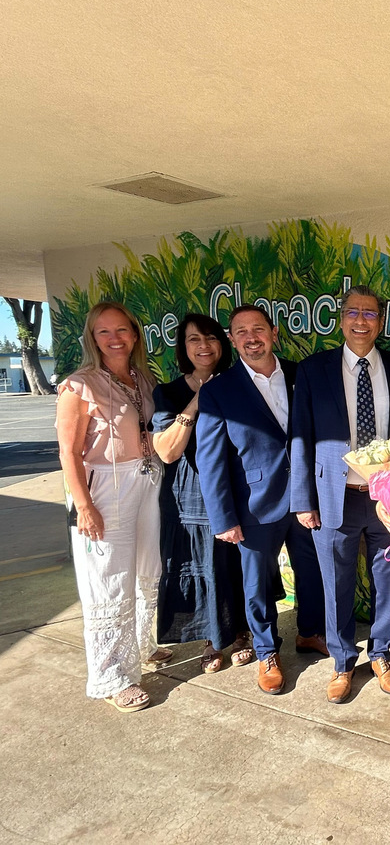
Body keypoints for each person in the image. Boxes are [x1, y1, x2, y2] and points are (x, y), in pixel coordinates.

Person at [290, 285, 390, 703]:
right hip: (335, 496)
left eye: (370, 314)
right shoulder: (314, 370)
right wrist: (302, 500)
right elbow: (300, 437)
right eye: (353, 312)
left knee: (387, 580)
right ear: (340, 318)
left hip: (388, 497)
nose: (361, 321)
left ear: (381, 321)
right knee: (337, 583)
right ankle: (343, 662)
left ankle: (381, 653)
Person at [195, 304, 327, 695]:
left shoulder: (301, 374)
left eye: (258, 329)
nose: (251, 337)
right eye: (241, 331)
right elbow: (210, 457)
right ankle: (267, 651)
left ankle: (310, 633)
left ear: (273, 332)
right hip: (253, 505)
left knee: (313, 570)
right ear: (232, 339)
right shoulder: (219, 390)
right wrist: (223, 518)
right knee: (256, 584)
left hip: (305, 496)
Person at [55, 301, 166, 712]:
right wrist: (83, 505)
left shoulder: (143, 378)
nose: (115, 338)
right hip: (105, 488)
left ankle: (142, 646)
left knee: (144, 567)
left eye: (122, 330)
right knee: (108, 577)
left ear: (135, 335)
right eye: (104, 331)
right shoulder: (79, 385)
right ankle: (112, 677)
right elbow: (68, 451)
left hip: (146, 482)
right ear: (92, 338)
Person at [151, 313, 253, 673]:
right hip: (189, 495)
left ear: (222, 344)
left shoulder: (239, 384)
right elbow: (167, 451)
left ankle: (241, 633)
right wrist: (199, 399)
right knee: (203, 567)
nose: (204, 346)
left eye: (210, 338)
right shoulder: (168, 393)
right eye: (194, 339)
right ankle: (212, 640)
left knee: (235, 566)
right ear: (183, 347)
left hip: (235, 490)